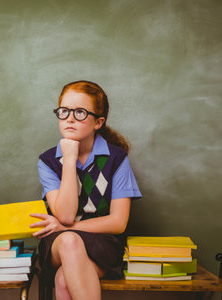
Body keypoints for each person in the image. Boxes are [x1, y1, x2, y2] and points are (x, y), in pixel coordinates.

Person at [30, 80, 142, 300]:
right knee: (70, 240)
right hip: (58, 244)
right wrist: (69, 159)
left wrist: (65, 226)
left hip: (102, 244)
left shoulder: (116, 159)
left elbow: (118, 223)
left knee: (64, 280)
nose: (70, 118)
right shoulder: (48, 161)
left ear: (98, 122)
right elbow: (65, 214)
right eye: (64, 111)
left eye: (80, 112)